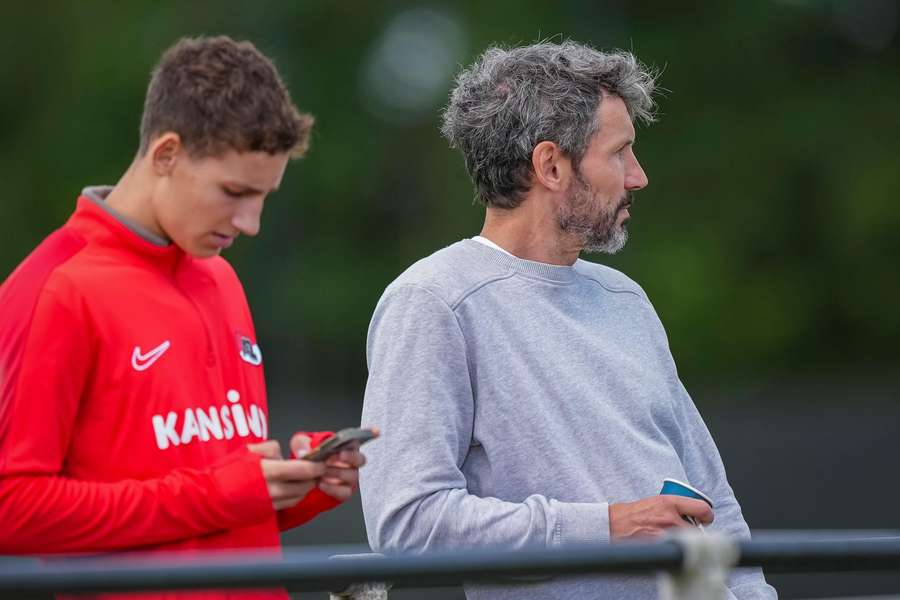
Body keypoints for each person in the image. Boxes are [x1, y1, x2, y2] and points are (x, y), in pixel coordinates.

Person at [359, 41, 777, 599]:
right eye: (620, 153)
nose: (638, 177)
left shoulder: (624, 298)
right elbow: (408, 527)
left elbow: (714, 503)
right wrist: (607, 528)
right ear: (551, 166)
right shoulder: (433, 301)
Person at [0, 36, 365, 599]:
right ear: (166, 154)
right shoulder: (54, 286)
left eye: (264, 196)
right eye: (234, 192)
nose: (250, 223)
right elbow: (12, 509)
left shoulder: (220, 278)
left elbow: (207, 511)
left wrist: (295, 487)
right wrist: (220, 492)